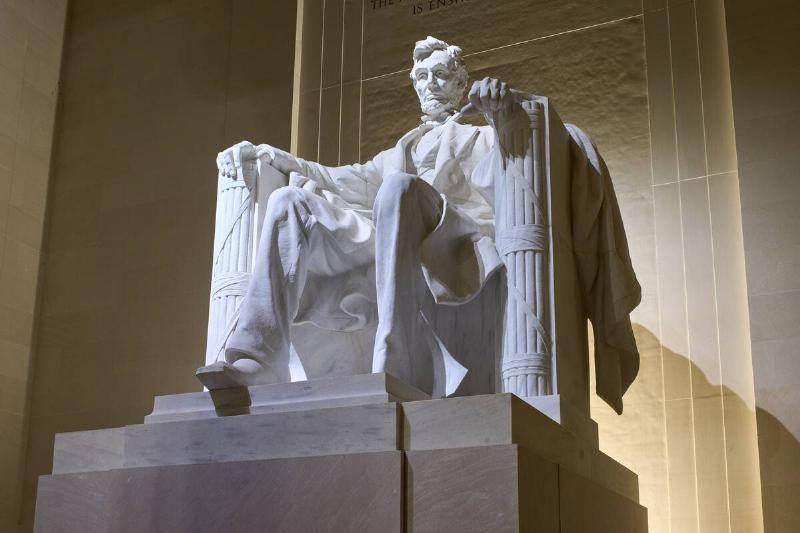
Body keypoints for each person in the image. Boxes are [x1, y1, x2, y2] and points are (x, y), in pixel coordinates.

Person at [197, 36, 510, 394]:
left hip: (447, 240)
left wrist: (503, 114)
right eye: (422, 76)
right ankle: (257, 358)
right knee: (288, 201)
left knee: (398, 189)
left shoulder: (483, 137)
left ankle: (398, 360)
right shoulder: (400, 150)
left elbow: (517, 168)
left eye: (440, 74)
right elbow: (345, 178)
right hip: (390, 233)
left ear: (459, 84)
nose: (430, 84)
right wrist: (284, 159)